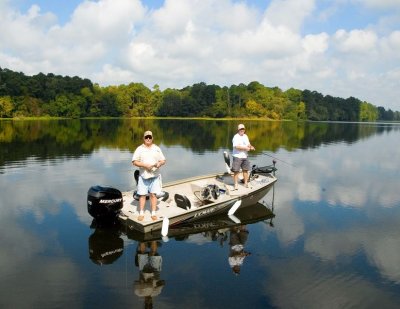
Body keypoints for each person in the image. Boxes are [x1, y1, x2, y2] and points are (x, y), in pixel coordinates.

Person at [132, 130, 166, 221]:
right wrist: (145, 165)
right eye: (146, 137)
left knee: (153, 195)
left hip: (155, 176)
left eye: (149, 137)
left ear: (152, 138)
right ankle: (141, 213)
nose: (148, 138)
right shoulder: (139, 149)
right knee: (142, 195)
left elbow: (163, 160)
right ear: (143, 138)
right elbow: (134, 161)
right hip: (143, 176)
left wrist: (160, 164)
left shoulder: (157, 148)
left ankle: (153, 213)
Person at [134, 241, 165, 308]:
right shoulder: (156, 292)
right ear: (152, 303)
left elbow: (135, 283)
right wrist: (157, 284)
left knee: (142, 253)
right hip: (155, 270)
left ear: (144, 302)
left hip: (143, 270)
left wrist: (143, 283)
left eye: (147, 303)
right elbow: (163, 282)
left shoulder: (139, 293)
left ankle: (142, 239)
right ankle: (153, 239)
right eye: (150, 304)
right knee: (153, 253)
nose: (149, 302)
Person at [232, 123, 255, 190]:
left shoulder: (245, 136)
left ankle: (246, 183)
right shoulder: (236, 137)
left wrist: (251, 146)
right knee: (236, 171)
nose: (242, 130)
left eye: (243, 129)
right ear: (238, 130)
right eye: (240, 129)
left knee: (245, 170)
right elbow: (236, 146)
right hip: (237, 156)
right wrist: (245, 148)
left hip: (245, 156)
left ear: (244, 130)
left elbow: (248, 144)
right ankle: (236, 184)